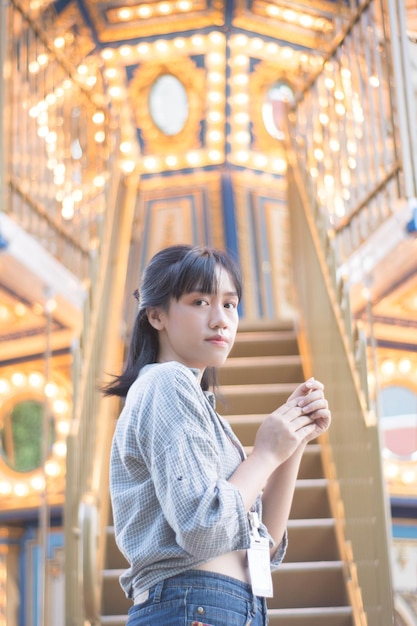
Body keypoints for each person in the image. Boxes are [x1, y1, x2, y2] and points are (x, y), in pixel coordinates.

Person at [104, 244, 331, 626]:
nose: (220, 319)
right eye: (199, 302)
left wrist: (293, 441)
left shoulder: (194, 402)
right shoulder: (166, 383)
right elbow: (203, 529)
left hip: (221, 605)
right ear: (156, 315)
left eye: (229, 304)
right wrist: (263, 455)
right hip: (191, 605)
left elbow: (265, 545)